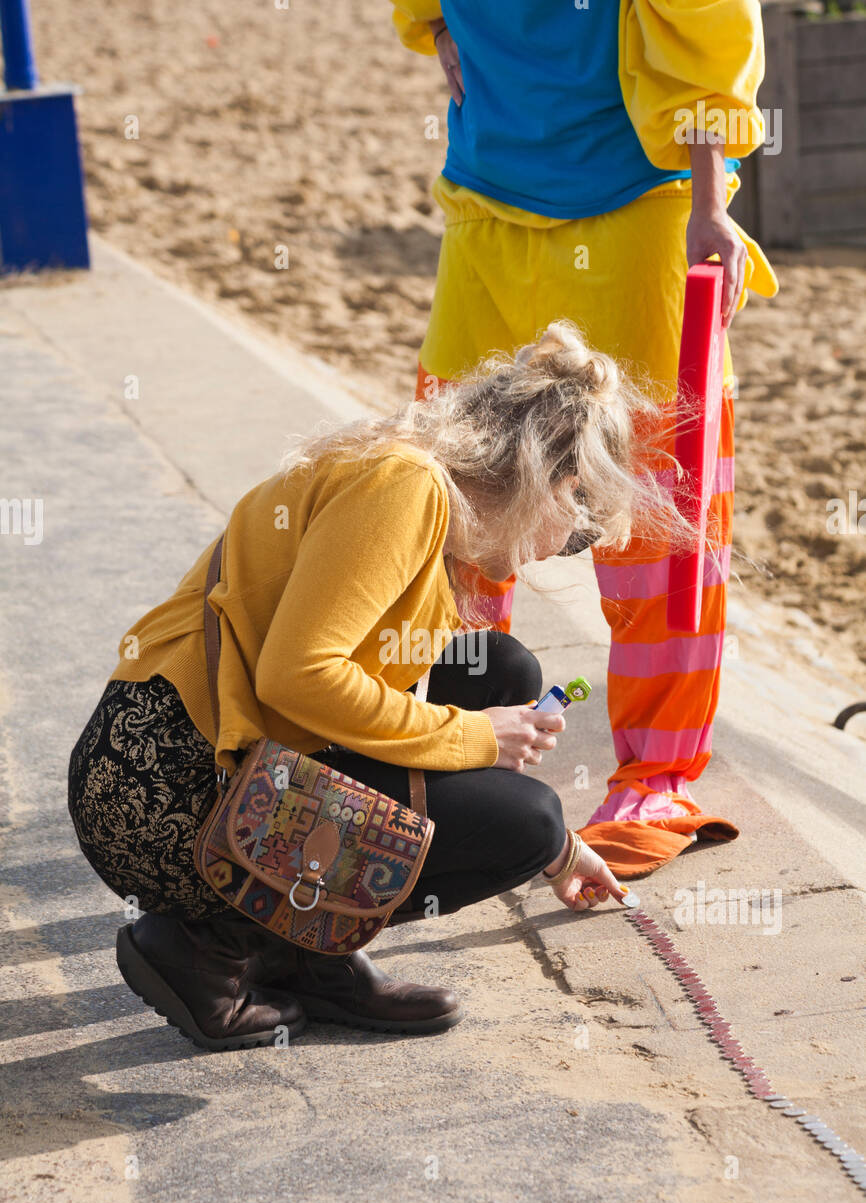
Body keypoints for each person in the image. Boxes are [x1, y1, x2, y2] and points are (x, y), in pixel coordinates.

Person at [68, 322, 691, 1052]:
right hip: (163, 792)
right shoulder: (406, 489)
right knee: (526, 820)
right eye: (576, 533)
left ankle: (311, 951)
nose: (557, 553)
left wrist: (562, 851)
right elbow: (301, 675)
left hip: (194, 751)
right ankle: (218, 945)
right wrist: (479, 744)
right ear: (557, 485)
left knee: (502, 672)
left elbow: (342, 683)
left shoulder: (423, 483)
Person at [392, 0, 779, 879]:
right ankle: (457, 745)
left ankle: (657, 774)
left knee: (654, 511)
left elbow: (708, 24)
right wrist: (442, 30)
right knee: (453, 495)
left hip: (637, 206)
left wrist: (711, 203)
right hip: (485, 200)